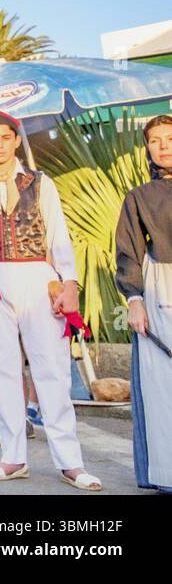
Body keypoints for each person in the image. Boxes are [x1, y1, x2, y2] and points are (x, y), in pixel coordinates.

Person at [0, 106, 100, 490]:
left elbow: (58, 236)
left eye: (6, 137)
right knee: (1, 370)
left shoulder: (40, 181)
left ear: (16, 140)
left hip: (36, 276)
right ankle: (13, 457)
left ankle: (71, 462)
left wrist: (69, 283)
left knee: (50, 368)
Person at [115, 113, 172, 493]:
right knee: (161, 385)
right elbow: (129, 252)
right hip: (161, 289)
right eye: (155, 140)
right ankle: (166, 472)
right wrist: (134, 300)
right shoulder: (139, 197)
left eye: (169, 137)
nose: (163, 145)